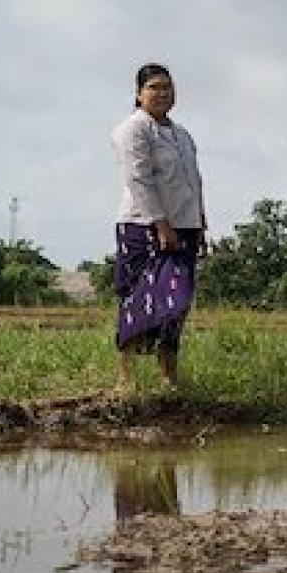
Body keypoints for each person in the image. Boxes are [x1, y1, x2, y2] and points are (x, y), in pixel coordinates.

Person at [111, 63, 206, 388]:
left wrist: (200, 223)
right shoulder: (132, 130)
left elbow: (194, 181)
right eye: (154, 87)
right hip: (144, 226)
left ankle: (169, 378)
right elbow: (138, 178)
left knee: (176, 305)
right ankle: (126, 380)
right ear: (138, 94)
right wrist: (160, 224)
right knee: (139, 299)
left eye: (167, 86)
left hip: (185, 227)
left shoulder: (182, 135)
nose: (162, 92)